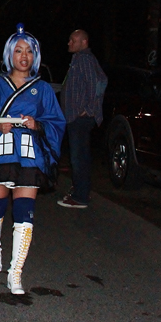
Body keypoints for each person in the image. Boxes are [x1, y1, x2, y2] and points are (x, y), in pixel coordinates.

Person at [0, 24, 64, 295]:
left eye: (30, 51)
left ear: (35, 56)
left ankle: (16, 271)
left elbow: (56, 120)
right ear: (10, 54)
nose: (24, 56)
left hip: (29, 155)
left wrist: (38, 125)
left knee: (24, 213)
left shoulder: (43, 88)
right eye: (19, 50)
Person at [57, 29, 107, 209]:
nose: (69, 43)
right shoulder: (78, 59)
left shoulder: (85, 59)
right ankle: (80, 190)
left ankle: (80, 197)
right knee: (78, 157)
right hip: (74, 118)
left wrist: (88, 109)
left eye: (72, 40)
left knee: (79, 158)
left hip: (80, 119)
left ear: (83, 42)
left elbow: (99, 82)